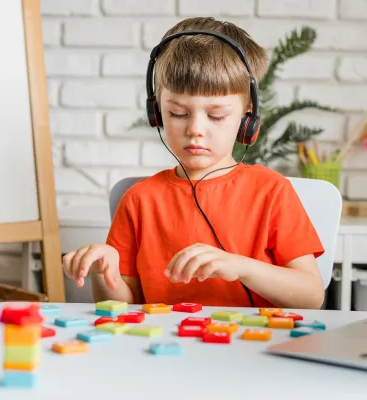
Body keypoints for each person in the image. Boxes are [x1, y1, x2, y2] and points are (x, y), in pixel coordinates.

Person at [62, 17, 325, 309]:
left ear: (247, 117)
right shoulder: (139, 200)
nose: (195, 129)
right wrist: (104, 273)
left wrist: (241, 267)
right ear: (157, 113)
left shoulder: (272, 191)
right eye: (177, 113)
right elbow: (127, 304)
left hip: (249, 347)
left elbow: (311, 297)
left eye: (215, 116)